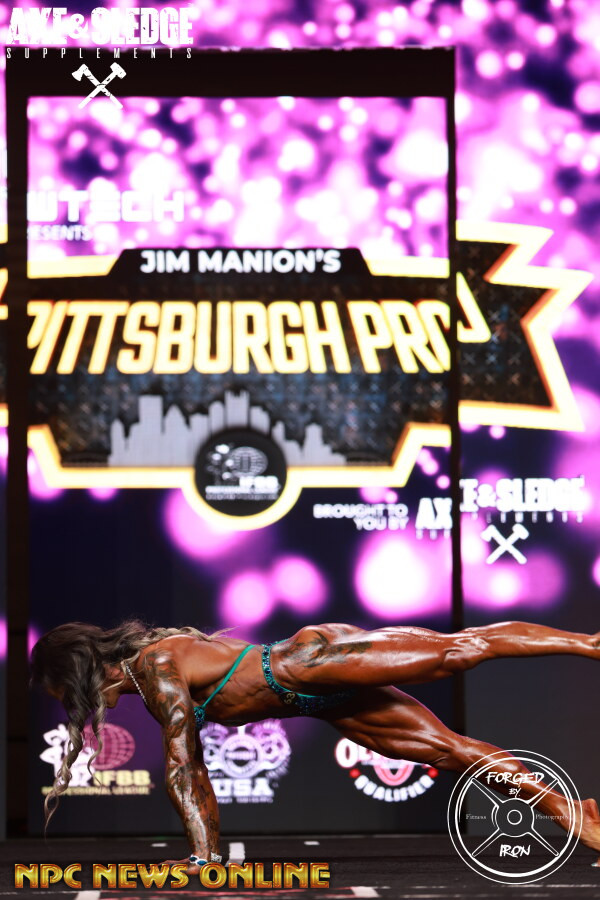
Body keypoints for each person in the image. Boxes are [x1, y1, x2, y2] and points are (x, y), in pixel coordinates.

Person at [31, 619, 600, 871]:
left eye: (68, 693)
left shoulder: (155, 668)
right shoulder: (146, 675)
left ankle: (589, 643)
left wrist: (203, 858)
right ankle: (569, 811)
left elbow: (184, 764)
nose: (86, 707)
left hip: (314, 663)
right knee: (451, 752)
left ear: (81, 673)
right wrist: (206, 855)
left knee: (457, 650)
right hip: (319, 702)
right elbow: (189, 765)